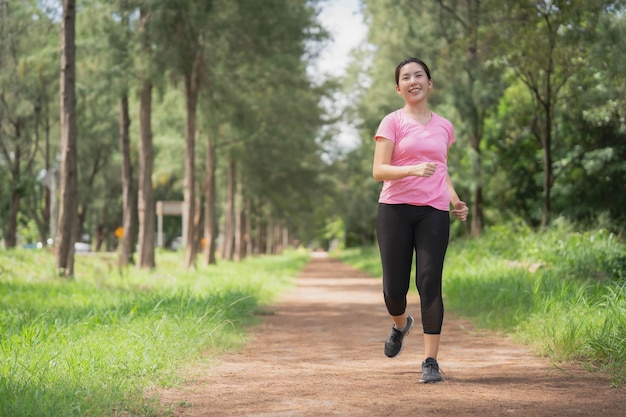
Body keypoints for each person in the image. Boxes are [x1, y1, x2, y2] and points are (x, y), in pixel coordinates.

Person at [372, 57, 468, 383]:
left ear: (430, 83)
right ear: (398, 88)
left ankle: (430, 361)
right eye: (406, 77)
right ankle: (401, 325)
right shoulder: (392, 123)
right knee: (393, 290)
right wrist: (412, 169)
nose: (413, 81)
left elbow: (442, 168)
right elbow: (379, 170)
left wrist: (455, 199)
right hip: (395, 209)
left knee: (429, 282)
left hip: (434, 210)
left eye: (419, 75)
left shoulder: (444, 126)